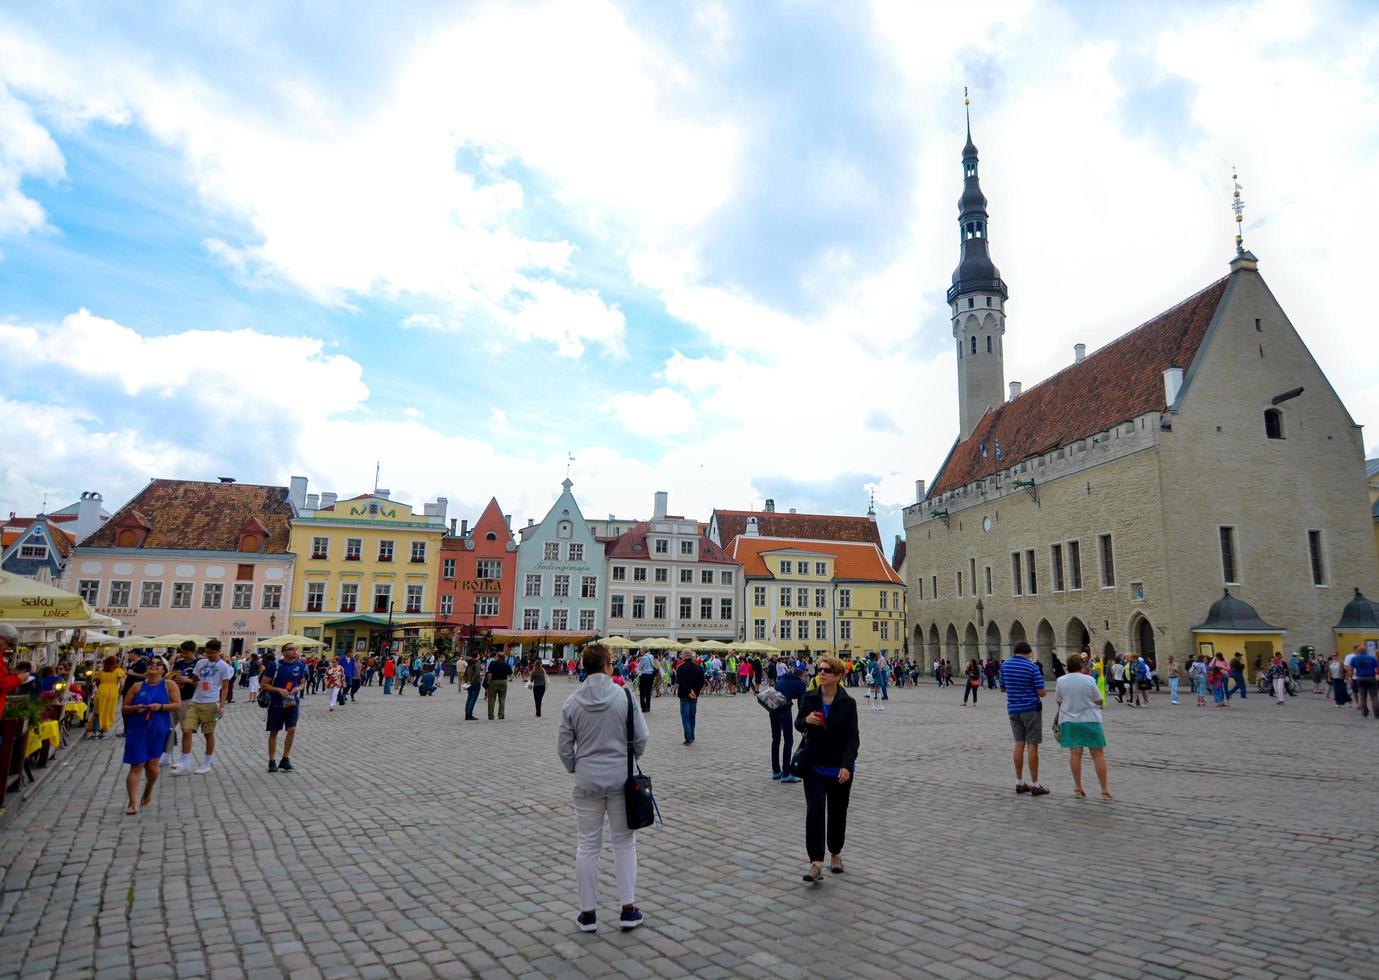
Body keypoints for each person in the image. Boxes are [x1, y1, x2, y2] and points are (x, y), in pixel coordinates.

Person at [557, 643, 650, 934]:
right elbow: (642, 738)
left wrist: (577, 766)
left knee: (587, 845)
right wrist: (630, 757)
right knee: (624, 844)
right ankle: (628, 908)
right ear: (608, 665)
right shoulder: (624, 696)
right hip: (622, 779)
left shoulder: (572, 701)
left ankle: (588, 913)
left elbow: (563, 748)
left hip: (587, 781)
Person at [796, 654, 859, 884]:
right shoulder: (810, 697)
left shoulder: (848, 703)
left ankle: (835, 853)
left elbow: (853, 738)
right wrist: (806, 721)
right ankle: (815, 862)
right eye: (820, 669)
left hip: (839, 767)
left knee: (837, 812)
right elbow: (798, 722)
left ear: (839, 675)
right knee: (814, 811)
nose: (821, 673)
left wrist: (847, 765)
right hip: (813, 765)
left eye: (826, 670)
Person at [120, 657, 180, 815]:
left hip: (158, 729)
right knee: (137, 765)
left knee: (152, 767)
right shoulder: (137, 686)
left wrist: (160, 706)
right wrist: (135, 708)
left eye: (158, 664)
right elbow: (124, 708)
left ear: (163, 670)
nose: (153, 666)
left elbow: (177, 705)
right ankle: (132, 803)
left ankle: (148, 788)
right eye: (151, 664)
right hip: (137, 729)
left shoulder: (169, 685)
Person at [1054, 653, 1111, 800]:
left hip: (1069, 720)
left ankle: (1078, 788)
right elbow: (1099, 700)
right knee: (1098, 754)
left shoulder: (1061, 680)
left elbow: (1059, 701)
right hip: (1090, 719)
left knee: (1075, 754)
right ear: (1081, 665)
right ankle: (1104, 790)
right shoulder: (1089, 679)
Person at [173, 638, 234, 775]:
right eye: (207, 653)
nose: (209, 656)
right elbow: (194, 680)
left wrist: (222, 705)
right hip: (195, 701)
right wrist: (186, 680)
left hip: (211, 703)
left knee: (208, 733)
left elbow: (224, 688)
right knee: (187, 730)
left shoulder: (224, 667)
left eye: (212, 653)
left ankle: (207, 763)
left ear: (219, 651)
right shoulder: (200, 663)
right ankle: (186, 762)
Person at [1000, 640, 1049, 796]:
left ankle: (1019, 782)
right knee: (1032, 746)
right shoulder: (1031, 666)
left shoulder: (1005, 665)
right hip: (1030, 709)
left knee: (1019, 744)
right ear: (1028, 653)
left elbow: (1002, 688)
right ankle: (1035, 784)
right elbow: (1041, 692)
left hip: (1013, 709)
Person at [262, 643, 308, 773]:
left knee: (292, 729)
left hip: (292, 702)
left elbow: (303, 682)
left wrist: (298, 688)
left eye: (295, 649)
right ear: (283, 652)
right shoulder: (275, 666)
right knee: (274, 731)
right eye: (290, 649)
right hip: (276, 703)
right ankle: (272, 761)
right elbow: (264, 684)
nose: (294, 651)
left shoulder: (300, 665)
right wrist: (278, 689)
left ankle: (285, 758)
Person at [771, 664, 807, 783]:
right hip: (784, 709)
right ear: (802, 675)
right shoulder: (800, 684)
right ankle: (786, 773)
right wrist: (802, 724)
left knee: (775, 739)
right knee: (788, 740)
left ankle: (776, 771)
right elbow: (803, 704)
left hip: (772, 708)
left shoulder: (782, 679)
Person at [674, 652, 706, 745]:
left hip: (684, 694)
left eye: (682, 655)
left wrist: (689, 691)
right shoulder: (698, 667)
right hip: (694, 695)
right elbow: (702, 681)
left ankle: (688, 737)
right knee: (692, 716)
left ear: (686, 656)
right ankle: (691, 735)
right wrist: (695, 691)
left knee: (685, 717)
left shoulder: (680, 667)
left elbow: (680, 681)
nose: (681, 657)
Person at [90, 655, 124, 738]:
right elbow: (122, 684)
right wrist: (119, 692)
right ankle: (103, 729)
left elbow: (94, 680)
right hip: (112, 691)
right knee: (108, 711)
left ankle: (96, 730)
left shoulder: (101, 671)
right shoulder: (118, 671)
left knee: (98, 711)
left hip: (101, 690)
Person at [1350, 645, 1378, 718]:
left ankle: (1364, 713)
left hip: (1360, 678)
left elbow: (1351, 669)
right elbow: (1377, 668)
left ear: (1358, 651)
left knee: (1362, 697)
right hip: (1371, 677)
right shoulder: (1372, 658)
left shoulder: (1354, 658)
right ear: (1366, 651)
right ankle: (1376, 714)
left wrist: (1351, 676)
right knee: (1374, 697)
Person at [485, 654, 512, 720]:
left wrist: (488, 682)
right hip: (503, 681)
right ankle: (501, 715)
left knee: (491, 699)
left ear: (498, 657)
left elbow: (490, 673)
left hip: (494, 681)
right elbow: (510, 673)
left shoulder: (493, 663)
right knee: (502, 699)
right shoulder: (506, 664)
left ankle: (491, 715)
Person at [636, 648, 655, 713]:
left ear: (644, 651)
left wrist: (639, 665)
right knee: (648, 691)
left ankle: (644, 707)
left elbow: (640, 667)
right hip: (651, 675)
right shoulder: (651, 656)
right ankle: (648, 707)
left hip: (644, 675)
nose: (640, 652)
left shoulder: (643, 658)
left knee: (642, 692)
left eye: (641, 651)